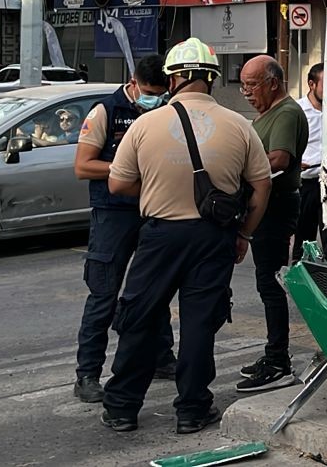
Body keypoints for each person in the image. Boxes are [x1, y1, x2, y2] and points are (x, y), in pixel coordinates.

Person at [100, 38, 272, 434]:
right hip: (214, 237)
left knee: (140, 318)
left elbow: (117, 183)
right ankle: (192, 410)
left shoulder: (145, 124)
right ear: (211, 78)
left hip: (160, 236)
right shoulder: (239, 125)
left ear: (174, 77)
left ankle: (123, 407)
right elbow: (261, 188)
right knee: (199, 324)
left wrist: (158, 189)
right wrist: (243, 233)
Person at [70, 55, 177, 404]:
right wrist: (125, 166)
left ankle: (163, 358)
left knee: (154, 291)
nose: (155, 99)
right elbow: (83, 165)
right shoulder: (106, 111)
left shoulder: (166, 112)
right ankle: (87, 374)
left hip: (153, 210)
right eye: (148, 92)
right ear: (133, 83)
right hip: (112, 215)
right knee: (103, 294)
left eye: (161, 94)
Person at [235, 55, 308, 393]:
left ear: (273, 83)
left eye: (252, 85)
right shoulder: (269, 113)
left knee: (271, 283)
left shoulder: (287, 113)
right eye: (244, 84)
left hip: (276, 206)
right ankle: (274, 353)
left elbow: (279, 158)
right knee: (267, 282)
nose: (246, 92)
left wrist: (239, 169)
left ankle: (279, 360)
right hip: (266, 205)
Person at [292, 62, 325, 263]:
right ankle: (300, 275)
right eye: (324, 84)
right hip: (307, 183)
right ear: (311, 84)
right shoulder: (298, 111)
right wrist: (296, 162)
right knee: (305, 236)